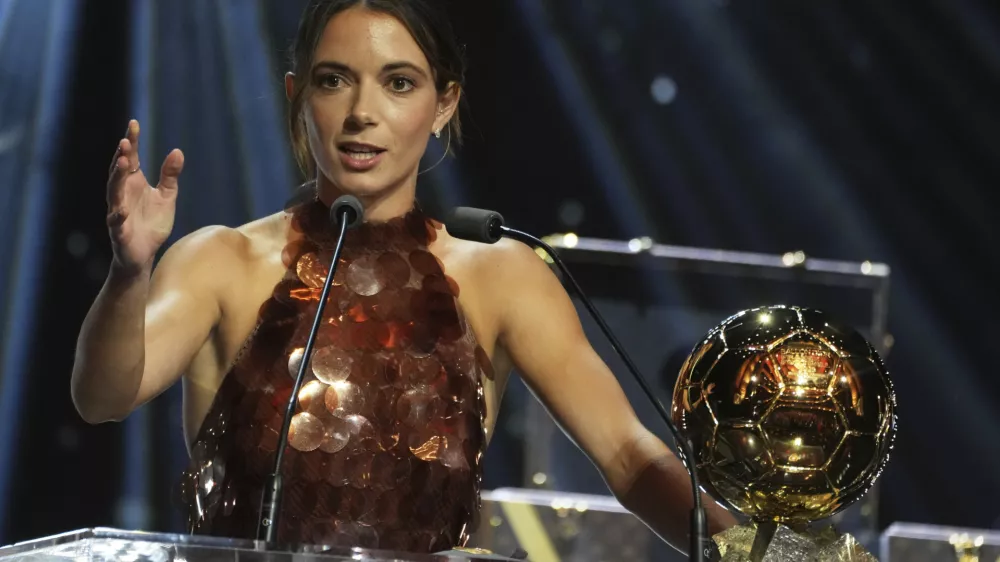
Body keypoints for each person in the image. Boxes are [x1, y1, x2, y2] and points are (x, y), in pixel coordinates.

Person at [71, 0, 737, 554]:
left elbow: (629, 456)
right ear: (295, 93)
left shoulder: (500, 274)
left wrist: (749, 552)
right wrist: (131, 273)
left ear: (444, 103)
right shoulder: (221, 260)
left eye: (398, 82)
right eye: (334, 80)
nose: (363, 111)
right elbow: (101, 398)